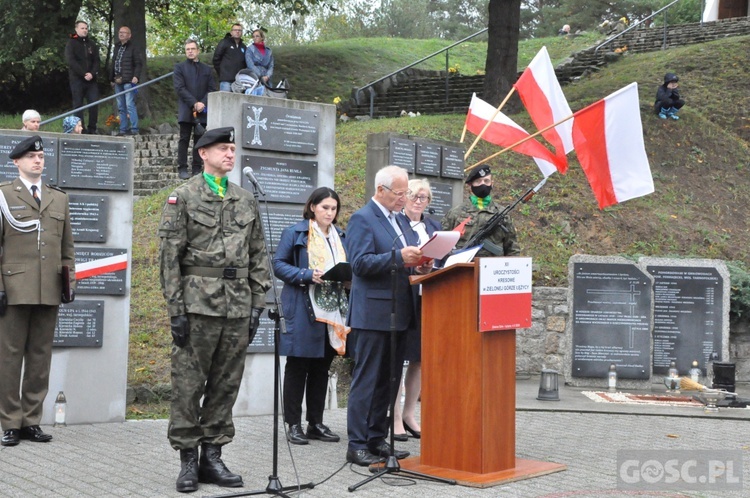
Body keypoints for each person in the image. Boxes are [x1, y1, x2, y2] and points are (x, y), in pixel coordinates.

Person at [158, 127, 271, 493]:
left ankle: (213, 456)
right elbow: (169, 258)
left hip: (237, 306)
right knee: (189, 385)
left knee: (225, 384)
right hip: (197, 306)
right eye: (223, 148)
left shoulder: (245, 199)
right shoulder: (184, 196)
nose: (230, 154)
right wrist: (176, 309)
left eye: (233, 149)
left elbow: (257, 254)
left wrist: (257, 303)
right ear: (203, 153)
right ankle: (188, 459)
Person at [345, 165, 431, 467]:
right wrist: (399, 258)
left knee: (390, 380)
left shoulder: (399, 221)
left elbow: (404, 258)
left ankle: (376, 438)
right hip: (372, 313)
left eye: (406, 192)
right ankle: (356, 444)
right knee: (368, 379)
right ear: (381, 190)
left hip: (399, 312)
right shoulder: (362, 219)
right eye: (400, 193)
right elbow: (359, 263)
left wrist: (418, 266)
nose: (404, 197)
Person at [0, 135, 76, 448]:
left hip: (48, 288)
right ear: (17, 161)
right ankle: (9, 422)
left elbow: (66, 247)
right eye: (31, 156)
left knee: (40, 358)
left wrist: (68, 282)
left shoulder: (58, 198)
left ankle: (31, 420)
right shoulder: (4, 195)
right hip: (14, 288)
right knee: (9, 357)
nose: (37, 160)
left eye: (41, 156)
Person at [273, 187, 349, 446]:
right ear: (313, 207)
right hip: (303, 305)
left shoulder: (340, 235)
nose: (330, 212)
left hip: (332, 308)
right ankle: (293, 423)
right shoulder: (294, 232)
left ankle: (315, 422)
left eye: (334, 208)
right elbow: (279, 264)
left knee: (322, 367)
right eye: (325, 207)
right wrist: (306, 274)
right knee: (298, 366)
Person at [392, 179, 440, 442]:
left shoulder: (433, 226)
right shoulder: (396, 223)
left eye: (424, 197)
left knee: (419, 359)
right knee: (398, 359)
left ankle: (410, 413)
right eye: (413, 196)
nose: (418, 201)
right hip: (404, 297)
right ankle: (395, 416)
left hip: (428, 297)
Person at [442, 165, 521, 258]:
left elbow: (512, 249)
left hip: (494, 268)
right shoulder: (456, 212)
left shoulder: (502, 213)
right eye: (478, 181)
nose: (482, 184)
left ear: (492, 183)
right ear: (470, 185)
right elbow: (442, 243)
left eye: (486, 181)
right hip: (464, 267)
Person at [173, 40, 216, 180]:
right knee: (184, 139)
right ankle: (182, 168)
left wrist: (202, 103)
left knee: (200, 139)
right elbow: (180, 88)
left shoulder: (207, 69)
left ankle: (197, 168)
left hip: (202, 111)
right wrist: (194, 103)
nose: (190, 51)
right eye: (187, 49)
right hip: (186, 108)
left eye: (192, 49)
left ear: (198, 51)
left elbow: (211, 89)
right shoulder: (180, 67)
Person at [65, 20, 100, 134]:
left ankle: (92, 128)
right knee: (78, 105)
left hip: (91, 80)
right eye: (82, 28)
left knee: (94, 103)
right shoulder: (71, 43)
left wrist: (92, 73)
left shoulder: (92, 44)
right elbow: (71, 61)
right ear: (76, 29)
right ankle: (81, 129)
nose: (85, 30)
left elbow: (96, 61)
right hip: (77, 79)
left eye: (86, 28)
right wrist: (83, 73)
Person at [110, 26, 144, 136]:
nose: (121, 34)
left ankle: (134, 129)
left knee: (130, 105)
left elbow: (138, 63)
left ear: (129, 35)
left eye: (124, 33)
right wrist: (111, 79)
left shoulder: (133, 47)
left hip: (129, 80)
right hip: (118, 81)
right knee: (121, 107)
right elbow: (114, 63)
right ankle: (123, 129)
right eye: (120, 32)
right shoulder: (116, 47)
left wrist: (136, 76)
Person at [213, 24, 247, 92]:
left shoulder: (244, 47)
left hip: (239, 83)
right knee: (225, 102)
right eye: (235, 30)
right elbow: (216, 59)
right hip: (226, 81)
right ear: (231, 32)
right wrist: (222, 73)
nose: (237, 32)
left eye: (239, 30)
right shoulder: (224, 42)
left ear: (242, 33)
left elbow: (245, 64)